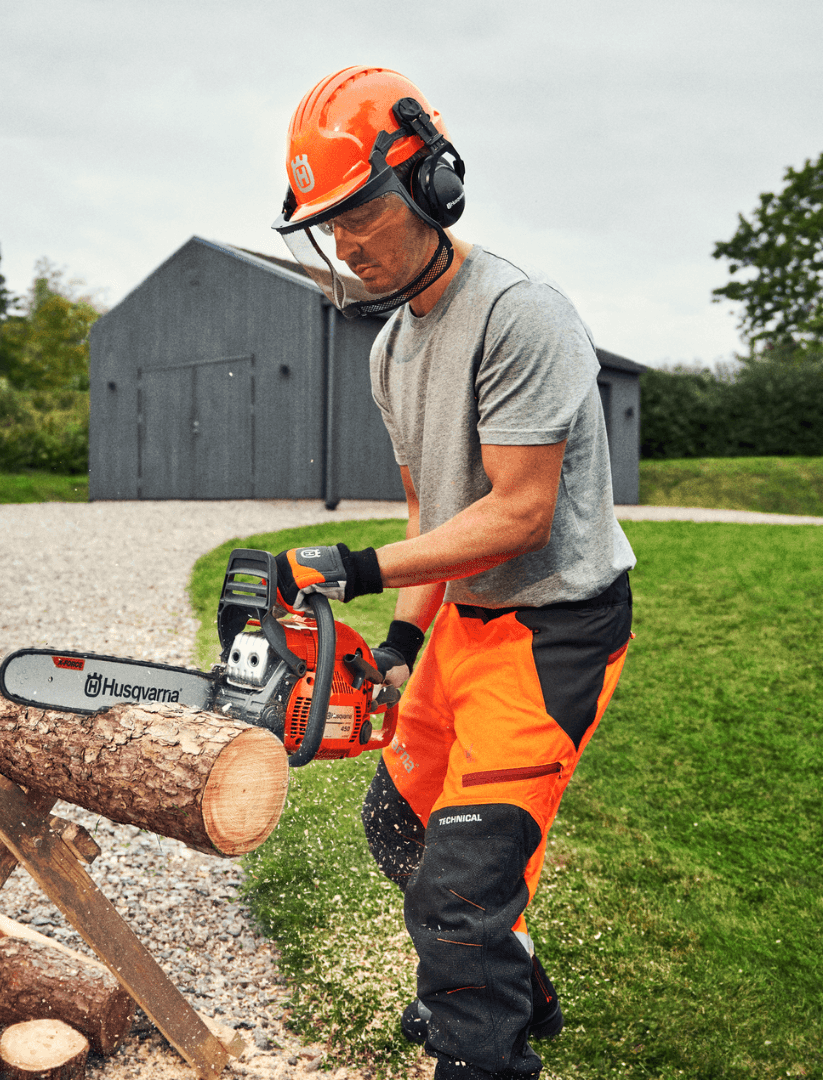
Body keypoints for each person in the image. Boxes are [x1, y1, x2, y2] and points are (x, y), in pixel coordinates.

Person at [267, 66, 636, 1080]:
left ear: (431, 182)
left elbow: (517, 514)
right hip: (468, 626)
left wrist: (357, 568)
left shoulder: (523, 316)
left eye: (359, 212)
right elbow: (439, 514)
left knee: (459, 896)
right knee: (397, 824)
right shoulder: (391, 349)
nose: (346, 241)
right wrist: (399, 642)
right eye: (328, 225)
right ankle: (510, 984)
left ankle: (483, 1035)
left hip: (553, 632)